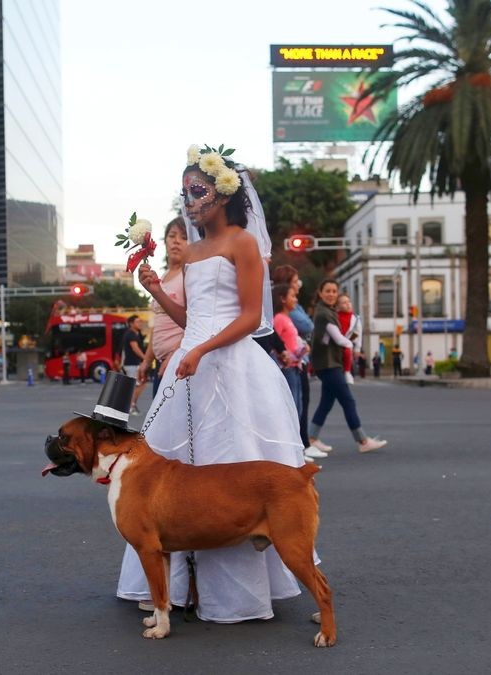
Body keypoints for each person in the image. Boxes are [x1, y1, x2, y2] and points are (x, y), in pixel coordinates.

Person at [118, 145, 310, 623]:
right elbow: (194, 319)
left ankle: (238, 596)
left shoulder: (243, 243)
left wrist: (203, 349)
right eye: (185, 192)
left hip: (231, 366)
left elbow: (249, 317)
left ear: (224, 194)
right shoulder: (195, 250)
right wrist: (158, 292)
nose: (191, 200)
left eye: (198, 190)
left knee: (231, 470)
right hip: (191, 363)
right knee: (173, 473)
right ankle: (175, 589)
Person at [307, 278, 388, 454]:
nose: (331, 294)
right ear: (320, 293)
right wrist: (351, 345)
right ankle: (362, 440)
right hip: (329, 364)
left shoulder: (327, 311)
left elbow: (330, 339)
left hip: (328, 363)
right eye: (327, 291)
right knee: (348, 401)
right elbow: (337, 338)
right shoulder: (324, 314)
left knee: (327, 402)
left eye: (334, 291)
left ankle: (311, 438)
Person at [138, 217, 188, 399]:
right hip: (161, 363)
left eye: (184, 237)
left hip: (179, 362)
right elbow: (156, 326)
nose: (176, 241)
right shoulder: (163, 276)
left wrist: (174, 356)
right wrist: (146, 360)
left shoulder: (188, 275)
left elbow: (194, 322)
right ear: (164, 240)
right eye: (172, 235)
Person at [272, 282, 320, 462]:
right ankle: (291, 448)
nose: (295, 299)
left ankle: (297, 447)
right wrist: (284, 355)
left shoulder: (287, 318)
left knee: (298, 406)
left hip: (296, 366)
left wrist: (301, 348)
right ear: (283, 299)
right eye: (292, 296)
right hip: (288, 367)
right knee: (292, 406)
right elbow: (276, 341)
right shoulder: (279, 318)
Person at [121, 315, 146, 413]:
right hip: (131, 364)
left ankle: (132, 404)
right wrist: (145, 359)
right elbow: (135, 348)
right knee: (134, 386)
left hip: (134, 363)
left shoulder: (136, 334)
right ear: (131, 324)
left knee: (140, 384)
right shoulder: (131, 334)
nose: (140, 323)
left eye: (140, 321)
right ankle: (130, 406)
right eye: (137, 322)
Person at [337, 293, 360, 385]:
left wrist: (357, 348)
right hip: (337, 343)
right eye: (344, 303)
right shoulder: (336, 316)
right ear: (338, 306)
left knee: (347, 351)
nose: (348, 304)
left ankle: (347, 372)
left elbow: (359, 333)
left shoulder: (355, 318)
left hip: (349, 343)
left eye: (349, 302)